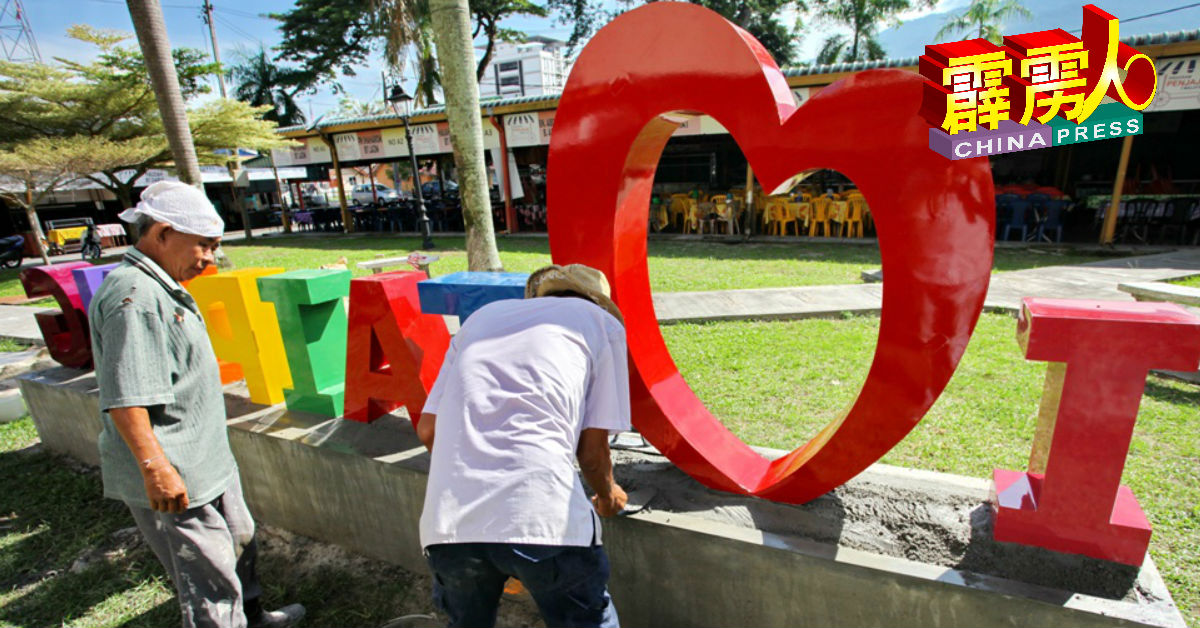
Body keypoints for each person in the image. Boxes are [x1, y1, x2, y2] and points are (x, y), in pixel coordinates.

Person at [89, 181, 304, 628]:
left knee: (240, 546)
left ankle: (254, 617)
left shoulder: (161, 284)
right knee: (207, 580)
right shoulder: (137, 299)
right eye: (203, 245)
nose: (208, 258)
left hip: (208, 462)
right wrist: (156, 468)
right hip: (177, 471)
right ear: (163, 233)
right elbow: (126, 398)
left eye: (214, 246)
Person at [417, 263, 631, 628]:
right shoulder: (600, 323)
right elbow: (592, 452)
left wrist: (495, 533)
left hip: (449, 528)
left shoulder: (483, 318)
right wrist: (609, 496)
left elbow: (428, 430)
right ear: (598, 302)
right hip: (545, 522)